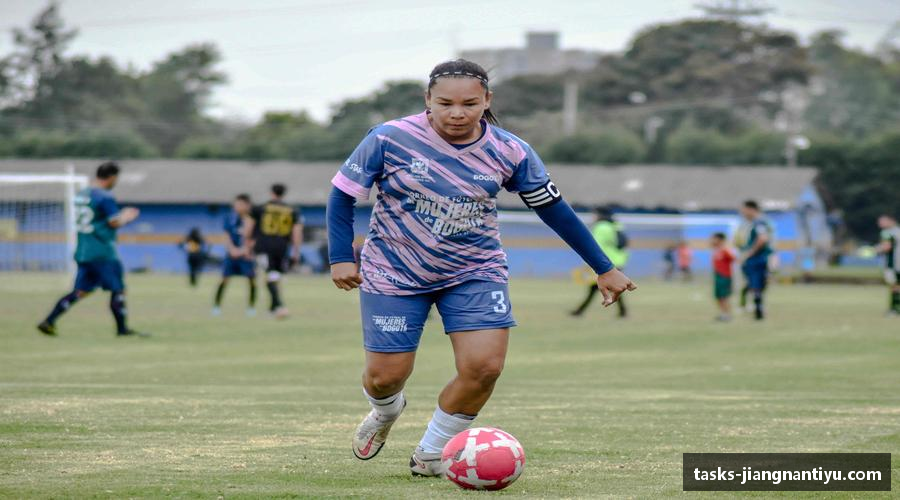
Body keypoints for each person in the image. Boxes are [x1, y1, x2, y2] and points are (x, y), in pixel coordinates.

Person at [326, 59, 636, 477]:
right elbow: (342, 195)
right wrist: (340, 256)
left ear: (487, 100)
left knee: (485, 368)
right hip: (394, 270)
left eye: (469, 104)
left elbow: (554, 210)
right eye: (445, 104)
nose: (457, 113)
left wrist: (603, 267)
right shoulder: (389, 138)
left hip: (474, 271)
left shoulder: (511, 151)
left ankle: (431, 454)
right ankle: (385, 411)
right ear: (427, 100)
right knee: (385, 378)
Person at [37, 161, 146, 337]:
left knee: (81, 291)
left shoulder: (82, 194)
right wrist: (127, 216)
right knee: (118, 289)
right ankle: (122, 330)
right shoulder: (104, 196)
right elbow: (114, 222)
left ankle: (49, 321)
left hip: (83, 251)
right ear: (112, 177)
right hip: (102, 252)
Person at [244, 184, 303, 319]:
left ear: (271, 193)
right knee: (275, 276)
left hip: (263, 246)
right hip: (282, 247)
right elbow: (297, 233)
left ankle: (280, 306)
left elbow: (248, 229)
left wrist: (247, 247)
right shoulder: (292, 210)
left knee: (268, 276)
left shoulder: (260, 208)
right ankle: (273, 308)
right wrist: (296, 252)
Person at [570, 207, 629, 318]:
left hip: (605, 263)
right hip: (618, 261)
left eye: (594, 214)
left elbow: (595, 246)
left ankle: (579, 311)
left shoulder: (601, 227)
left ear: (600, 215)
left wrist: (590, 262)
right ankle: (580, 311)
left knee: (606, 287)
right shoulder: (616, 225)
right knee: (607, 287)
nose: (593, 217)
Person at [213, 194, 257, 317]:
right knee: (224, 279)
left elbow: (255, 238)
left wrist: (245, 250)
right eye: (236, 204)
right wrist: (232, 250)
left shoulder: (252, 219)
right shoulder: (230, 218)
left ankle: (251, 308)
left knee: (252, 280)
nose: (236, 206)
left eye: (240, 204)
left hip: (246, 255)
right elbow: (226, 235)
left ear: (247, 205)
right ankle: (216, 306)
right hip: (231, 254)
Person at [735, 200, 773, 320]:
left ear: (751, 209)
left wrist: (749, 253)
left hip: (757, 259)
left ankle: (758, 312)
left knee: (756, 284)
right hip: (757, 259)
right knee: (755, 284)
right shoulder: (754, 223)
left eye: (744, 210)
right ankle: (756, 309)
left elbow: (762, 238)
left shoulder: (759, 222)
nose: (742, 213)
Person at [876, 214, 900, 316]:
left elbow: (886, 247)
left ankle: (895, 309)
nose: (880, 224)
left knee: (894, 286)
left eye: (882, 221)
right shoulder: (898, 231)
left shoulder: (887, 233)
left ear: (890, 221)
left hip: (893, 264)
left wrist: (875, 249)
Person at [710, 232, 736, 322]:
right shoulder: (716, 250)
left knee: (724, 296)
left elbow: (734, 259)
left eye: (714, 238)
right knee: (718, 296)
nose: (712, 240)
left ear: (720, 240)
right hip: (717, 276)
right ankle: (722, 314)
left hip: (724, 276)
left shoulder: (725, 250)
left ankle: (728, 315)